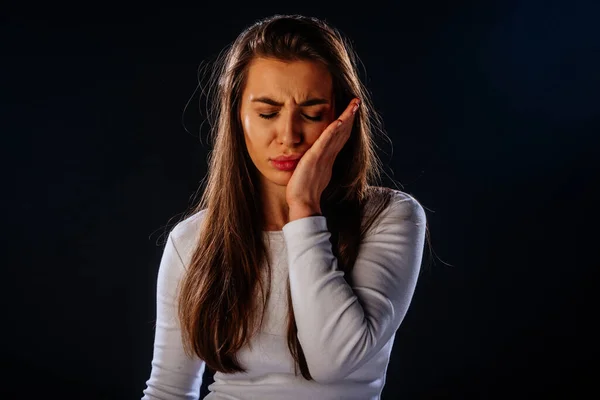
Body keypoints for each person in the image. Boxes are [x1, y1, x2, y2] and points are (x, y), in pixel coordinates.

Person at [142, 14, 428, 400]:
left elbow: (333, 363)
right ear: (237, 117)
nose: (289, 136)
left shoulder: (389, 217)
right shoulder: (193, 239)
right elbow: (167, 392)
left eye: (311, 114)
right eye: (267, 113)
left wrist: (304, 207)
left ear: (342, 118)